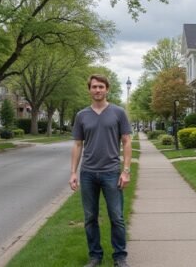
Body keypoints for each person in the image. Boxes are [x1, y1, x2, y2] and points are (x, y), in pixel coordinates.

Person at [70, 74, 132, 267]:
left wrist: (126, 170)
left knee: (117, 217)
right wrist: (73, 172)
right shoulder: (82, 115)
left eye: (101, 87)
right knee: (90, 218)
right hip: (88, 173)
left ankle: (120, 257)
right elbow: (78, 145)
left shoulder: (118, 112)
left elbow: (127, 141)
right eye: (94, 87)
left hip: (111, 172)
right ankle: (95, 256)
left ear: (107, 89)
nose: (97, 90)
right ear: (89, 90)